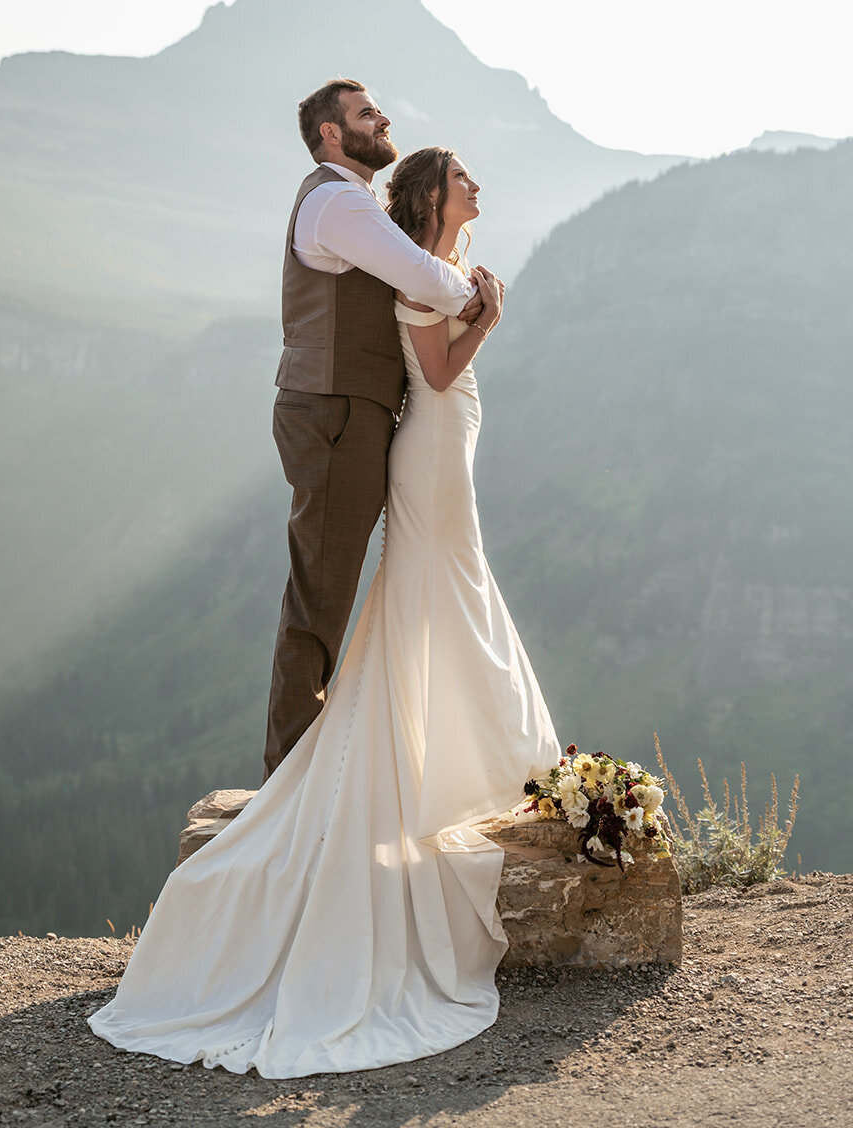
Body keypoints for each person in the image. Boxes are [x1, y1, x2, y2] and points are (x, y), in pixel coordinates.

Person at [88, 139, 561, 1077]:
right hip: (427, 450)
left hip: (441, 448)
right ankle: (432, 760)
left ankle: (458, 751)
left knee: (450, 586)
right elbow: (431, 372)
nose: (476, 186)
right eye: (462, 178)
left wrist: (474, 304)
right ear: (432, 195)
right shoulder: (413, 264)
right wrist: (488, 323)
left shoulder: (440, 263)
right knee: (441, 584)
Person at [265, 79, 483, 779]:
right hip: (333, 410)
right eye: (365, 114)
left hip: (347, 408)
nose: (381, 118)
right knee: (320, 591)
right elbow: (428, 280)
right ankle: (291, 779)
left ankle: (303, 769)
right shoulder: (335, 201)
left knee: (327, 584)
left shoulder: (346, 200)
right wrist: (477, 298)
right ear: (331, 134)